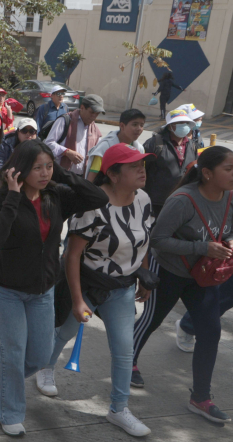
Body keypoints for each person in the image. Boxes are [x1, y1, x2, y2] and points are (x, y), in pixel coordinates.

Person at [0, 139, 108, 436]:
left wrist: (62, 174)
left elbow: (98, 197)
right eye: (37, 167)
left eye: (48, 166)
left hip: (42, 289)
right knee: (12, 354)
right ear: (20, 169)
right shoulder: (0, 197)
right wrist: (13, 196)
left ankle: (6, 381)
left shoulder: (55, 195)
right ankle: (8, 412)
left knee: (39, 356)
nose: (44, 173)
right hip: (6, 289)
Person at [40, 144, 156, 437]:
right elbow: (72, 255)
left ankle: (118, 409)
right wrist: (77, 299)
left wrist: (143, 274)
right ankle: (45, 367)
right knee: (63, 332)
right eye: (133, 166)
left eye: (142, 165)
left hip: (122, 288)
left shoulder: (143, 200)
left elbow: (144, 240)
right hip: (87, 283)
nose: (142, 170)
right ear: (113, 175)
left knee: (124, 350)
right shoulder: (93, 205)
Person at [130, 146, 233, 424]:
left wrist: (231, 240)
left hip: (202, 277)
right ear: (207, 173)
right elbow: (157, 240)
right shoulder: (183, 200)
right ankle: (127, 361)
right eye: (229, 169)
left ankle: (201, 397)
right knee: (151, 320)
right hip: (169, 271)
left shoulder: (231, 198)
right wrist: (203, 247)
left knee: (211, 332)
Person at [141, 108, 200, 217]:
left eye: (186, 123)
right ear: (169, 126)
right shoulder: (155, 143)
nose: (184, 125)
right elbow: (142, 170)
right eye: (179, 123)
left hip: (182, 201)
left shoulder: (192, 145)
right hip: (157, 203)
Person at [44, 94, 104, 177]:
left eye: (97, 114)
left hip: (82, 178)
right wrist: (67, 152)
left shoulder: (95, 129)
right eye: (92, 112)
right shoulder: (65, 121)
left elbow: (99, 153)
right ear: (82, 108)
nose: (94, 116)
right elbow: (48, 144)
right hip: (61, 175)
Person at [85, 108, 146, 182]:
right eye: (135, 124)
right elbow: (91, 178)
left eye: (142, 125)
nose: (139, 129)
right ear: (122, 126)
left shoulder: (139, 149)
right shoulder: (105, 147)